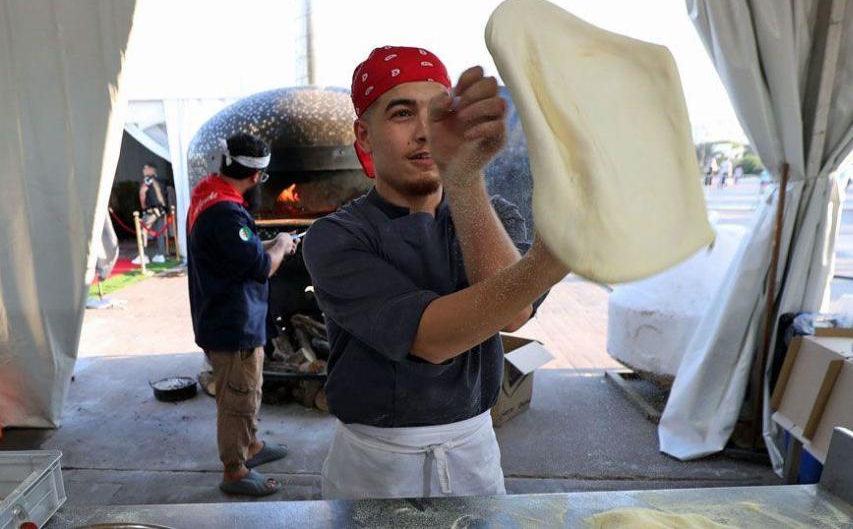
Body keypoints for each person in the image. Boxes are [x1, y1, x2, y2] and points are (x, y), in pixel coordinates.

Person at [302, 46, 569, 500]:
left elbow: (513, 313)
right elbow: (432, 340)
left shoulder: (494, 215)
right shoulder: (335, 238)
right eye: (403, 113)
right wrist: (560, 255)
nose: (425, 132)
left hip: (474, 453)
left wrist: (465, 180)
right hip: (374, 467)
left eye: (441, 112)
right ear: (364, 137)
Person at [186, 133, 298, 497]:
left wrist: (266, 244)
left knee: (247, 391)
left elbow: (239, 252)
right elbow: (263, 267)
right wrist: (280, 244)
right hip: (232, 325)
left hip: (226, 316)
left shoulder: (209, 193)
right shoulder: (224, 212)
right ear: (255, 176)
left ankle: (251, 447)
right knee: (237, 400)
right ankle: (234, 470)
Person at [134, 163, 168, 264]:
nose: (143, 170)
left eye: (145, 168)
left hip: (151, 210)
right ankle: (161, 255)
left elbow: (142, 193)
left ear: (151, 170)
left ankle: (142, 256)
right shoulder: (161, 181)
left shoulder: (146, 180)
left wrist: (143, 206)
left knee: (142, 231)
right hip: (161, 210)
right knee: (160, 233)